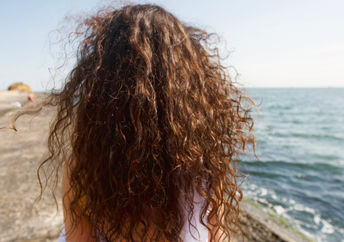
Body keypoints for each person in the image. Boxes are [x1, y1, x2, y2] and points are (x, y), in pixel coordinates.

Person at [31, 3, 254, 242]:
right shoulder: (207, 164)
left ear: (103, 87)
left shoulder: (85, 168)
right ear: (189, 86)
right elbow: (218, 237)